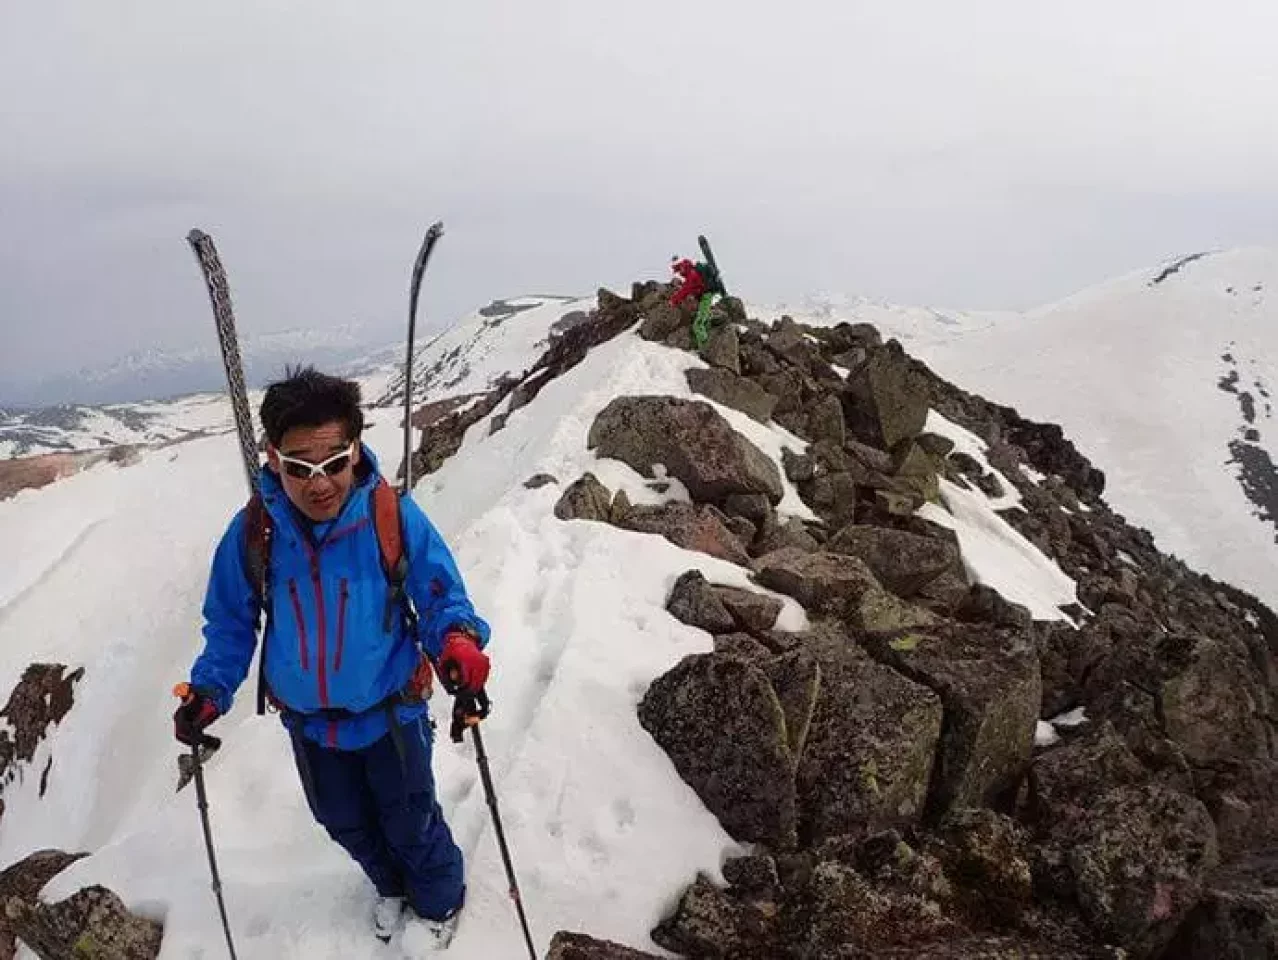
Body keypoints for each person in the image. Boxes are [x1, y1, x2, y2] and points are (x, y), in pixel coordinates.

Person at [173, 366, 491, 950]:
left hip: (391, 711)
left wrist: (459, 646)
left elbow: (441, 595)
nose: (319, 484)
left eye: (333, 463)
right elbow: (231, 625)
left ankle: (439, 901)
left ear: (355, 450)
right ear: (273, 459)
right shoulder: (255, 533)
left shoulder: (390, 516)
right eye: (299, 467)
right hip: (311, 726)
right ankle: (390, 885)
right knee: (342, 821)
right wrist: (209, 691)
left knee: (410, 820)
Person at [670, 255, 723, 348]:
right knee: (704, 320)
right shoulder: (691, 272)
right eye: (677, 271)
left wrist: (673, 301)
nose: (679, 273)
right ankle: (703, 342)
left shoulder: (691, 274)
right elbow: (689, 288)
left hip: (706, 296)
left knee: (697, 325)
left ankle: (706, 347)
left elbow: (685, 290)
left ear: (682, 267)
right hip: (705, 296)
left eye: (678, 270)